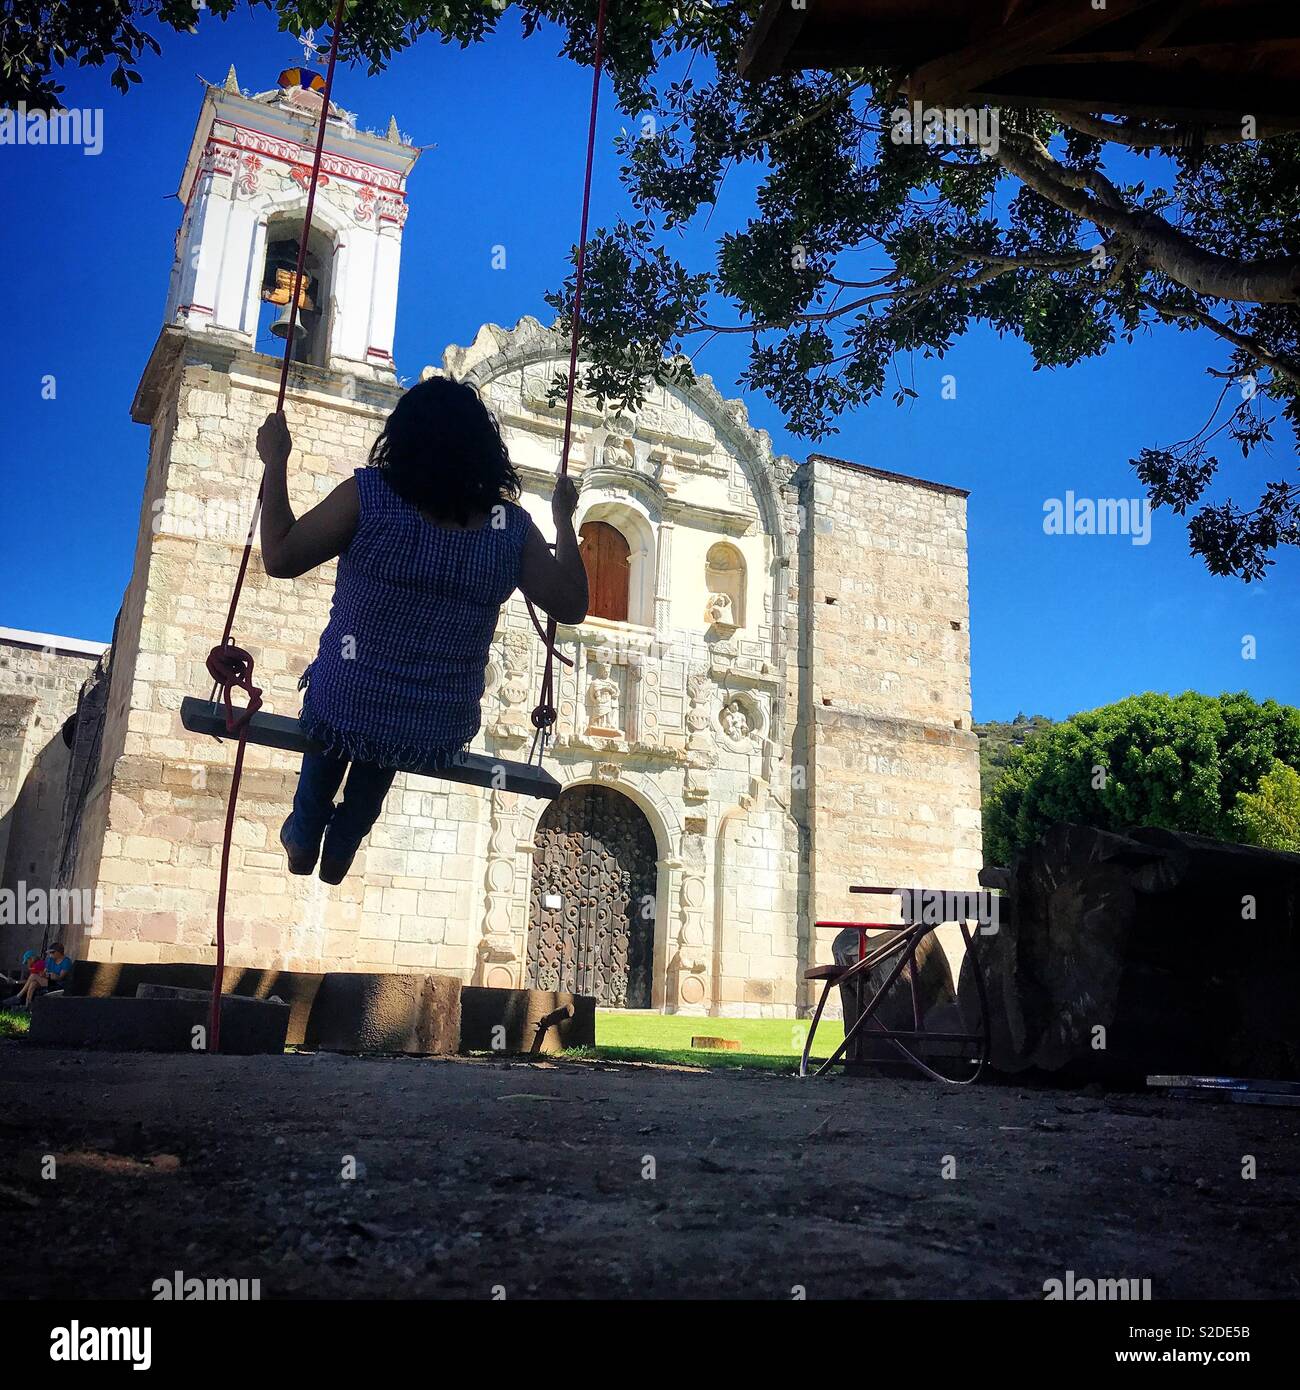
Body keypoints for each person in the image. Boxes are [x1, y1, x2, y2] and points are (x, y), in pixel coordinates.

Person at [256, 377, 588, 885]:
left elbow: (280, 558)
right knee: (392, 737)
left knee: (339, 720)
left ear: (403, 438)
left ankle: (304, 834)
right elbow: (572, 606)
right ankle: (347, 836)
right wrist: (564, 522)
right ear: (484, 451)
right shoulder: (511, 527)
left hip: (347, 697)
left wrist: (275, 459)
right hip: (434, 721)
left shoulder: (369, 496)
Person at [3, 942, 73, 1009]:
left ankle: (18, 997)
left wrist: (49, 975)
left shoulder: (66, 962)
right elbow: (45, 972)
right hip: (48, 981)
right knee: (33, 983)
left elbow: (60, 978)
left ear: (58, 952)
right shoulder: (50, 960)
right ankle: (27, 1005)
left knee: (33, 976)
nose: (50, 955)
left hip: (58, 984)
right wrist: (43, 974)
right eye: (50, 953)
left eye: (52, 952)